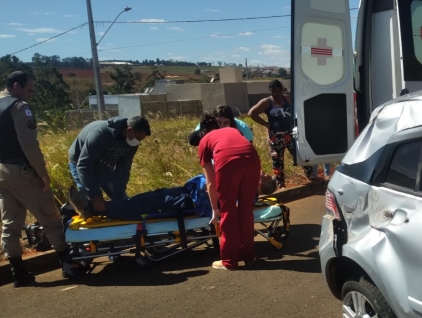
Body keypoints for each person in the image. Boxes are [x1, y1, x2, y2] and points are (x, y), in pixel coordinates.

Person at [0, 71, 84, 287]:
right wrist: (43, 174)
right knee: (50, 217)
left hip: (1, 173)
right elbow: (29, 145)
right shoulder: (19, 107)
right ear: (16, 86)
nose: (31, 95)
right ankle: (68, 265)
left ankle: (18, 273)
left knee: (10, 225)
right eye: (29, 90)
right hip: (22, 170)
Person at [188, 113, 263, 270]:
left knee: (227, 211)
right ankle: (249, 256)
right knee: (246, 210)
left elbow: (211, 183)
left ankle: (229, 260)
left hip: (229, 163)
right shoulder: (231, 130)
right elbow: (243, 146)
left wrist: (215, 209)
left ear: (201, 133)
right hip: (252, 160)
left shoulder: (203, 142)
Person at [67, 172, 276, 221]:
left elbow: (228, 208)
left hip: (189, 202)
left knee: (140, 205)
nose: (261, 172)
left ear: (262, 184)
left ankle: (92, 208)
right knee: (144, 198)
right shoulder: (245, 188)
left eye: (264, 175)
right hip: (187, 192)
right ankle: (95, 207)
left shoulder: (247, 198)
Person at [68, 115, 151, 214]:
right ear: (129, 130)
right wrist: (95, 195)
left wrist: (120, 194)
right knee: (89, 204)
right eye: (138, 138)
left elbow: (123, 169)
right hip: (81, 164)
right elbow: (84, 166)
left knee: (123, 203)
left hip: (104, 168)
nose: (138, 142)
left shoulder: (132, 143)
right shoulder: (100, 134)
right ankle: (82, 208)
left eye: (141, 140)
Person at [247, 79, 319, 189]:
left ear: (281, 90)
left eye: (276, 91)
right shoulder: (266, 102)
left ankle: (312, 177)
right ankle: (281, 186)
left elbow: (298, 109)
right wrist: (266, 124)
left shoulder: (288, 99)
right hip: (275, 138)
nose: (274, 94)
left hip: (291, 135)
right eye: (272, 92)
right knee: (277, 163)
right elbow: (251, 113)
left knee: (300, 156)